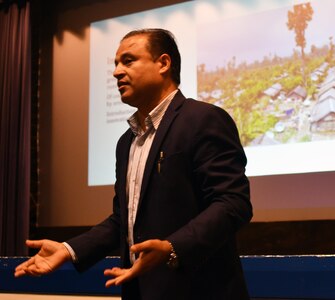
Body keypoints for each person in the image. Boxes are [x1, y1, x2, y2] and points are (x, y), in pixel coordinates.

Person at [15, 28, 253, 300]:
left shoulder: (203, 120)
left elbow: (233, 203)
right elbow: (122, 220)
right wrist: (69, 250)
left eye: (128, 61)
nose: (116, 72)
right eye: (115, 64)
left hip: (198, 291)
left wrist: (172, 247)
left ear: (163, 63)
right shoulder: (126, 141)